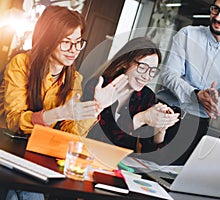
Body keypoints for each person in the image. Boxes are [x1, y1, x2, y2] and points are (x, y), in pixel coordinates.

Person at [0, 6, 126, 200]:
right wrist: (58, 114)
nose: (74, 50)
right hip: (8, 147)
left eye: (78, 43)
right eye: (66, 42)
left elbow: (70, 134)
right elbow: (14, 121)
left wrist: (97, 107)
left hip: (37, 154)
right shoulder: (22, 64)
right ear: (48, 40)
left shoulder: (74, 78)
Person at [157, 0, 220, 164]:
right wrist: (196, 94)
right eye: (216, 10)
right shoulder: (187, 34)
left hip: (196, 124)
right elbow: (169, 74)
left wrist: (214, 103)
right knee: (142, 168)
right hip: (163, 111)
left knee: (174, 177)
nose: (218, 17)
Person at [81, 37, 179, 154]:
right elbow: (100, 138)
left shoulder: (147, 97)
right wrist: (141, 118)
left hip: (116, 165)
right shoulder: (99, 86)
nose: (147, 76)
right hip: (84, 155)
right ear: (125, 63)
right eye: (142, 68)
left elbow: (146, 154)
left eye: (152, 71)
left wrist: (159, 129)